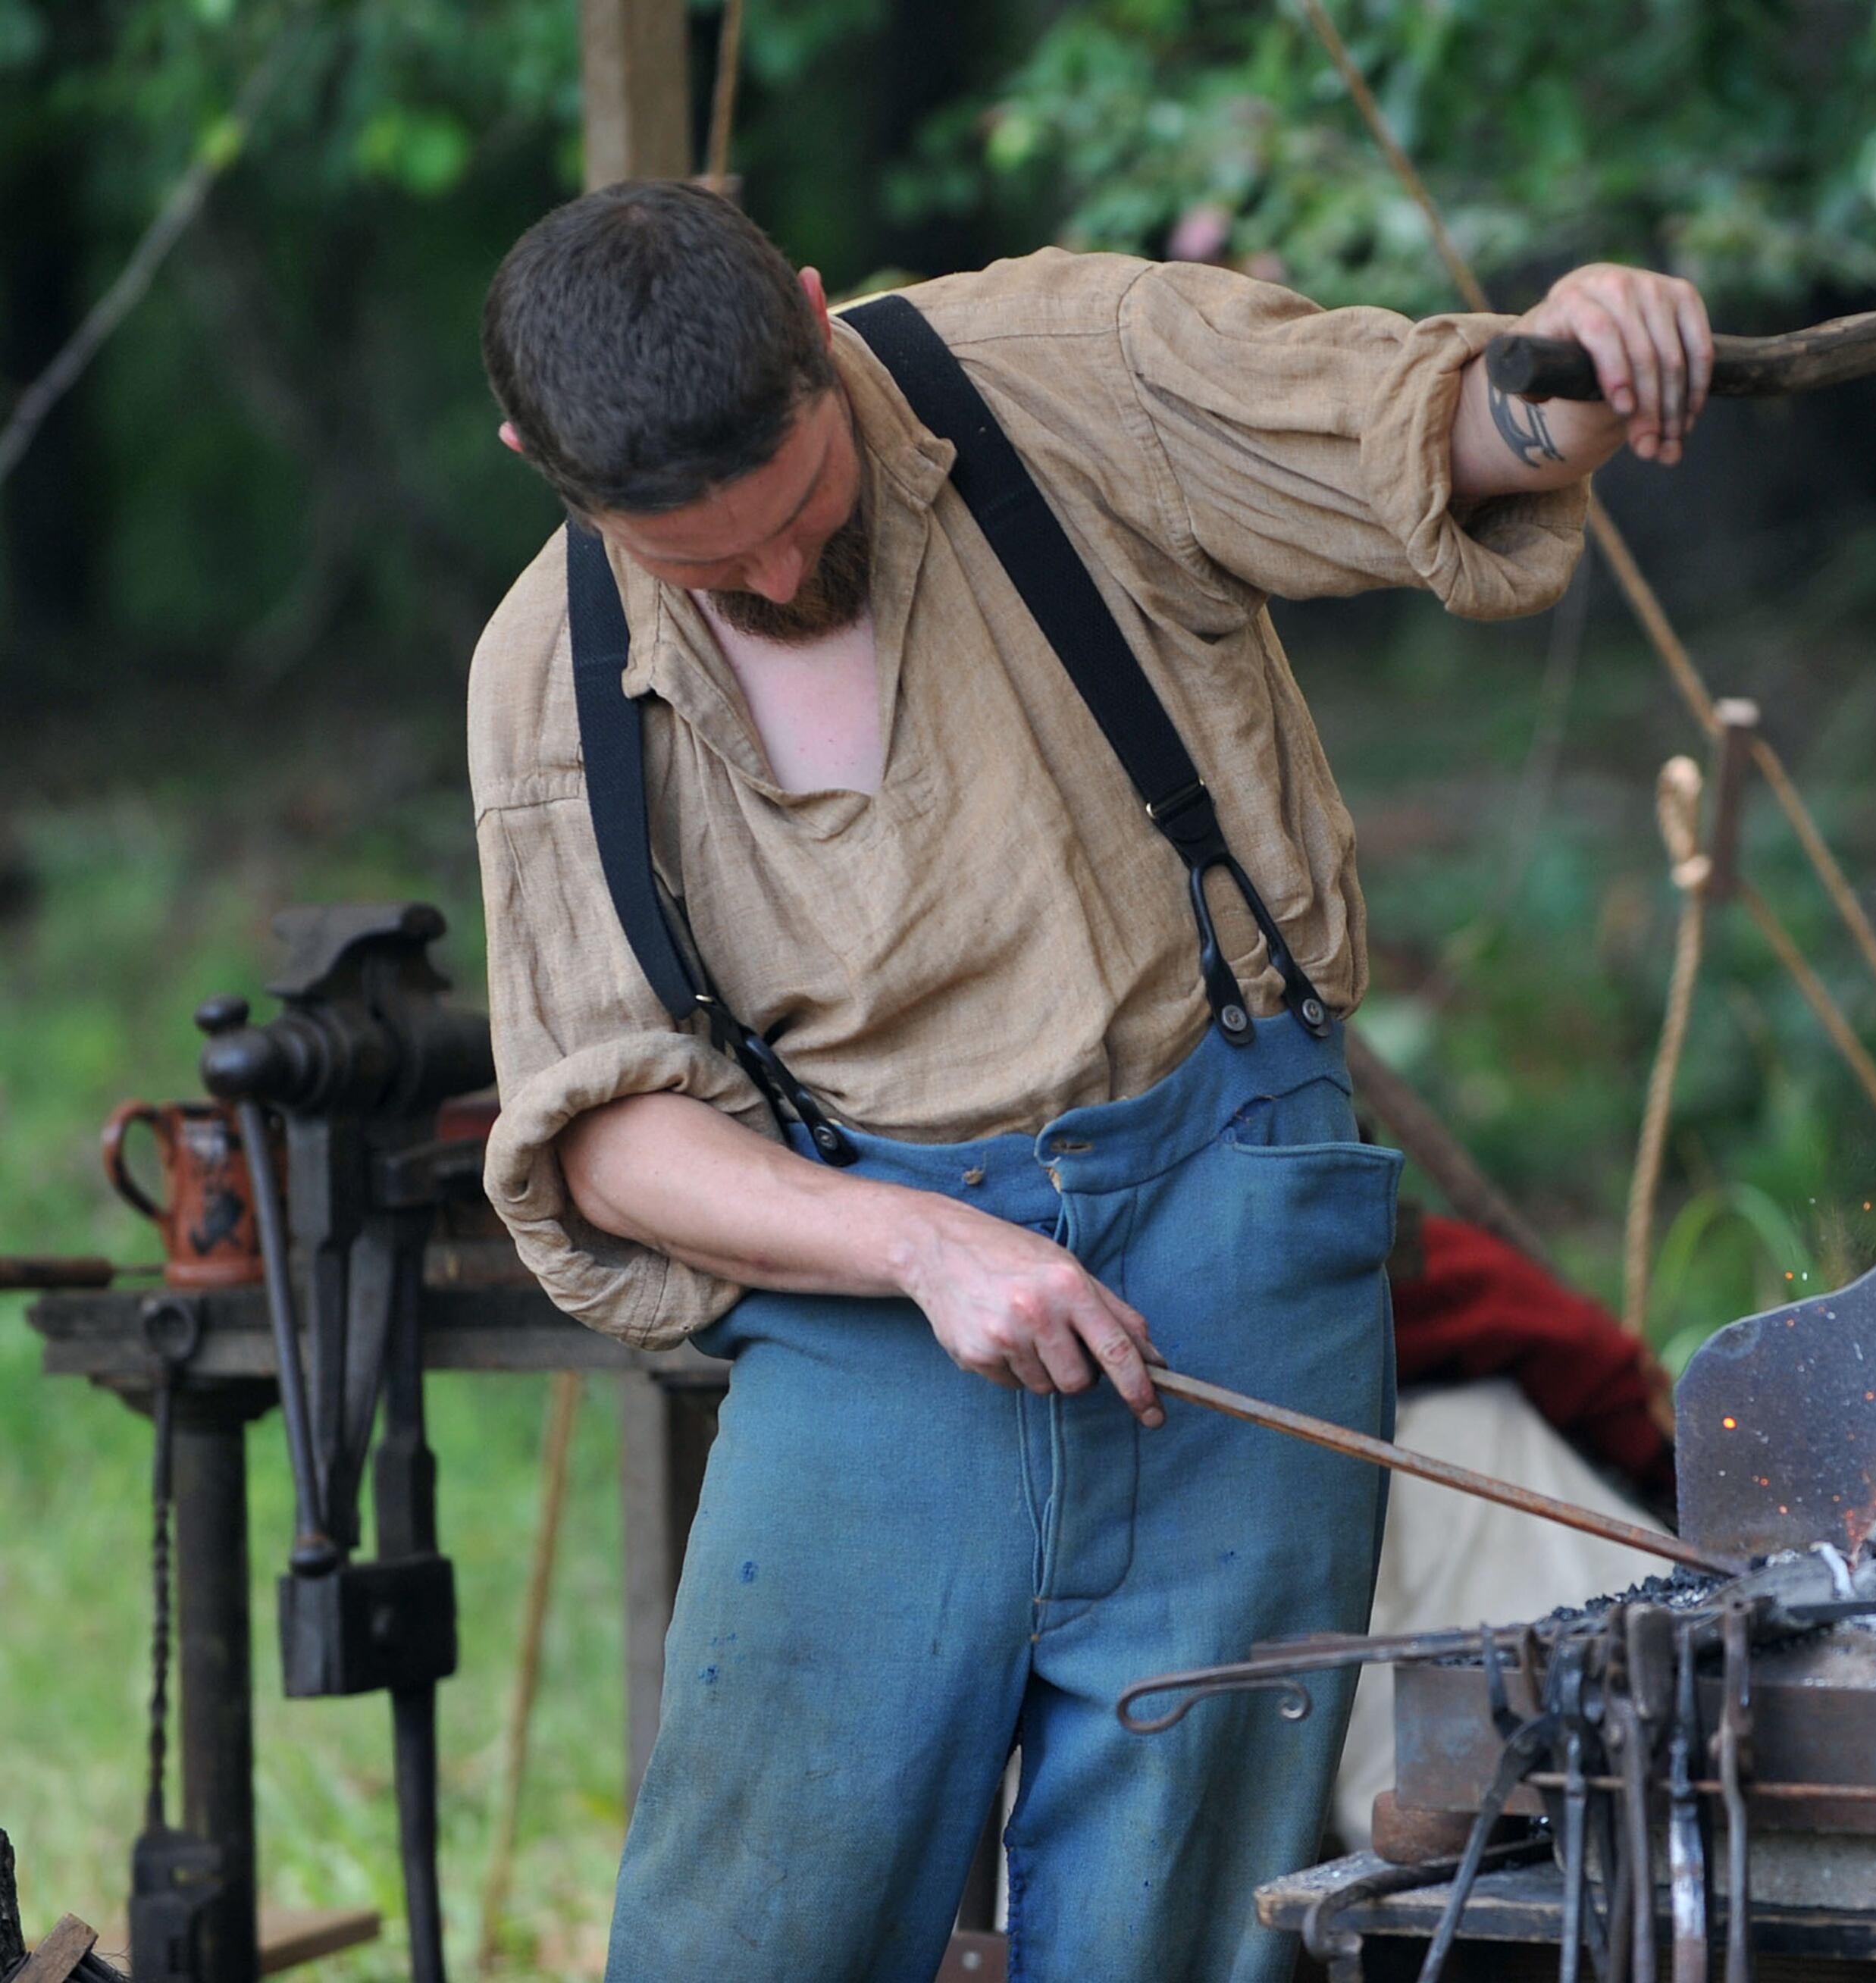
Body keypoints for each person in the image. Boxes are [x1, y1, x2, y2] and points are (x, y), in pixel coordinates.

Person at [467, 178, 1711, 1981]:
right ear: (535, 456)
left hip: (1227, 1228)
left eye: (801, 506)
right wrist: (916, 1249)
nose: (769, 573)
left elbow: (1452, 418)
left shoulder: (1066, 372)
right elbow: (606, 1133)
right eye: (697, 560)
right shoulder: (547, 675)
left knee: (1176, 1921)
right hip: (865, 1311)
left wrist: (1592, 350)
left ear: (818, 317)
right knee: (752, 1918)